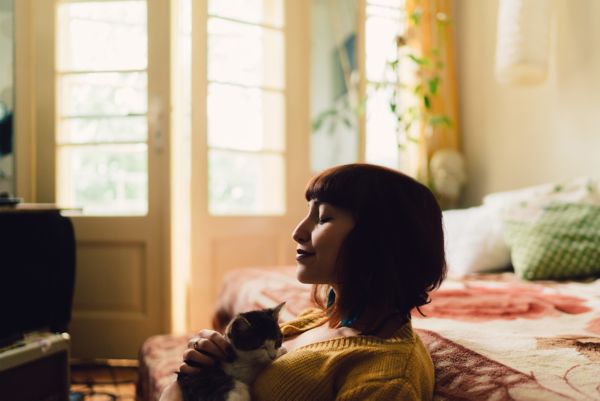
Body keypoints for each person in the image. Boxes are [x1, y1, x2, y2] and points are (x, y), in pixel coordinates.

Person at [160, 163, 446, 401]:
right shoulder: (318, 320)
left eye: (323, 218)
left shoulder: (387, 379)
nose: (298, 232)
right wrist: (210, 362)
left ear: (377, 239)